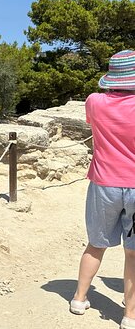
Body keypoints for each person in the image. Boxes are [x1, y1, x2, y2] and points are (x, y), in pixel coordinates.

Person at [69, 50, 135, 329]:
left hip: (104, 182)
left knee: (96, 243)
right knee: (133, 252)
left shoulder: (94, 102)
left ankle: (79, 298)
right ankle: (130, 314)